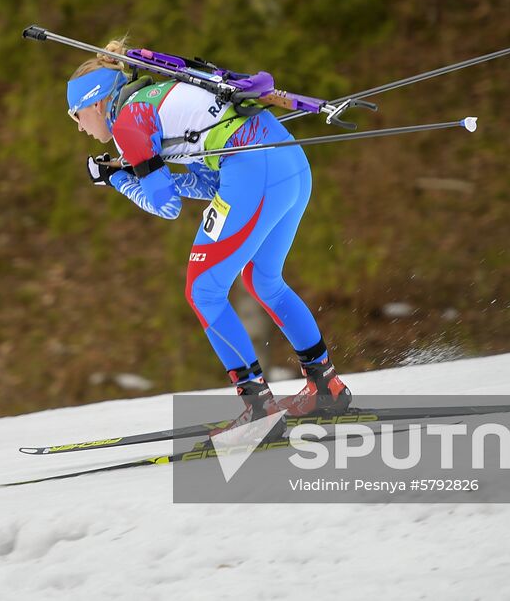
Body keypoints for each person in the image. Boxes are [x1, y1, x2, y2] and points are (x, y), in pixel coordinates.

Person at [67, 39, 352, 422]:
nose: (79, 127)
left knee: (203, 291)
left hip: (255, 173)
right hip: (290, 165)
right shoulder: (156, 96)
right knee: (263, 281)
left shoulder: (128, 122)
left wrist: (119, 180)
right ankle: (325, 386)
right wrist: (132, 173)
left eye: (75, 114)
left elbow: (165, 207)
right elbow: (208, 187)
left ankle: (259, 408)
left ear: (96, 102)